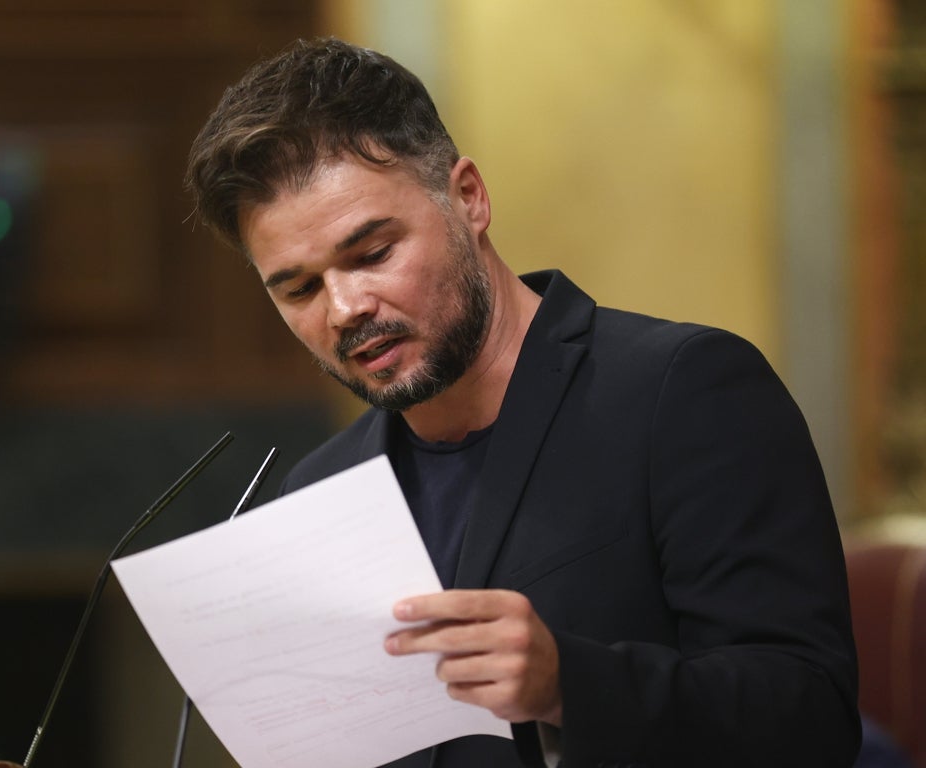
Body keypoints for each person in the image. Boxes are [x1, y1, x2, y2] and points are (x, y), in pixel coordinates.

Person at [184, 37, 859, 768]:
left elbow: (810, 717)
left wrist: (571, 684)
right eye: (299, 288)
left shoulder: (684, 391)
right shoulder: (320, 490)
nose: (345, 307)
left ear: (468, 198)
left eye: (373, 253)